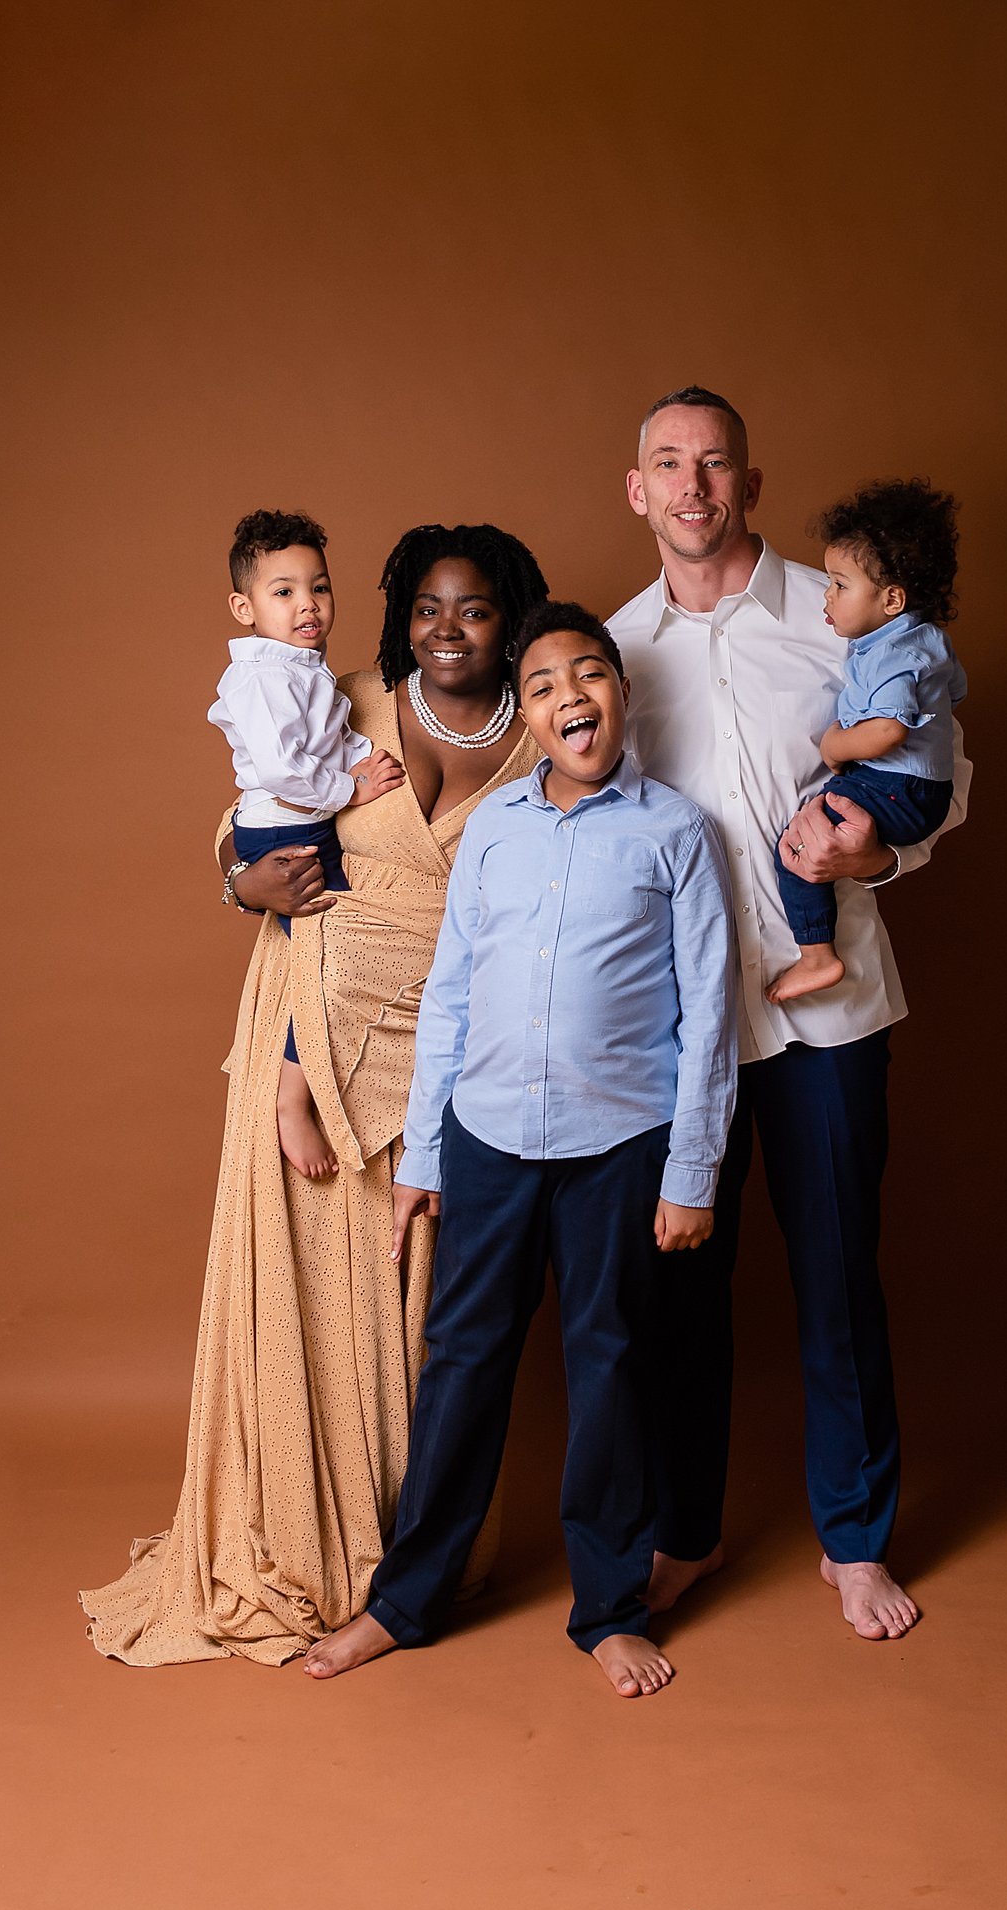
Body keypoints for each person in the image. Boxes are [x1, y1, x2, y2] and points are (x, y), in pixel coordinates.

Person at [79, 524, 549, 1665]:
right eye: (427, 608)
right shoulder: (340, 694)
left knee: (417, 1300)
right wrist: (244, 879)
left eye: (474, 608)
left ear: (510, 618)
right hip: (310, 1020)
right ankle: (291, 1536)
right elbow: (250, 813)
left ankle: (402, 1555)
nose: (447, 628)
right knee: (303, 1280)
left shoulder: (547, 728)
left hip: (450, 1052)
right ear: (400, 616)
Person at [301, 602, 737, 1696]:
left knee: (611, 1364)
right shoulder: (495, 828)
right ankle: (405, 1599)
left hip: (619, 1144)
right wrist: (426, 1155)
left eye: (587, 675)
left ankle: (607, 1606)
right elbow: (449, 995)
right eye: (542, 685)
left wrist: (691, 1172)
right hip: (489, 1136)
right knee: (461, 1359)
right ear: (528, 716)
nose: (568, 697)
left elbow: (710, 1017)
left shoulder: (674, 833)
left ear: (621, 695)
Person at [608, 387, 971, 1641]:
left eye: (716, 463)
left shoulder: (845, 616)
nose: (693, 484)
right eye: (669, 463)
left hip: (828, 1014)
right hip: (675, 1028)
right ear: (637, 489)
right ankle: (683, 1534)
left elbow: (945, 779)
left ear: (750, 486)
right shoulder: (611, 650)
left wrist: (870, 859)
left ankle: (853, 1539)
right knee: (677, 1296)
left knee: (835, 1278)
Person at [210, 508, 405, 1178]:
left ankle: (317, 1087)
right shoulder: (262, 677)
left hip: (302, 817)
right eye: (283, 591)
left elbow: (330, 738)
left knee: (332, 959)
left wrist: (365, 760)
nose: (307, 605)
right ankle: (291, 1100)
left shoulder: (304, 669)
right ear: (245, 606)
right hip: (283, 827)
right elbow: (284, 771)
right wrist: (353, 789)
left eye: (318, 587)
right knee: (338, 958)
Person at [768, 478, 967, 1001]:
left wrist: (834, 746)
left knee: (796, 847)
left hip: (899, 786)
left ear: (892, 598)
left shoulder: (891, 655)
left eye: (838, 584)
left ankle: (817, 957)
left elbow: (888, 730)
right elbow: (955, 691)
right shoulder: (922, 639)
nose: (826, 595)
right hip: (914, 786)